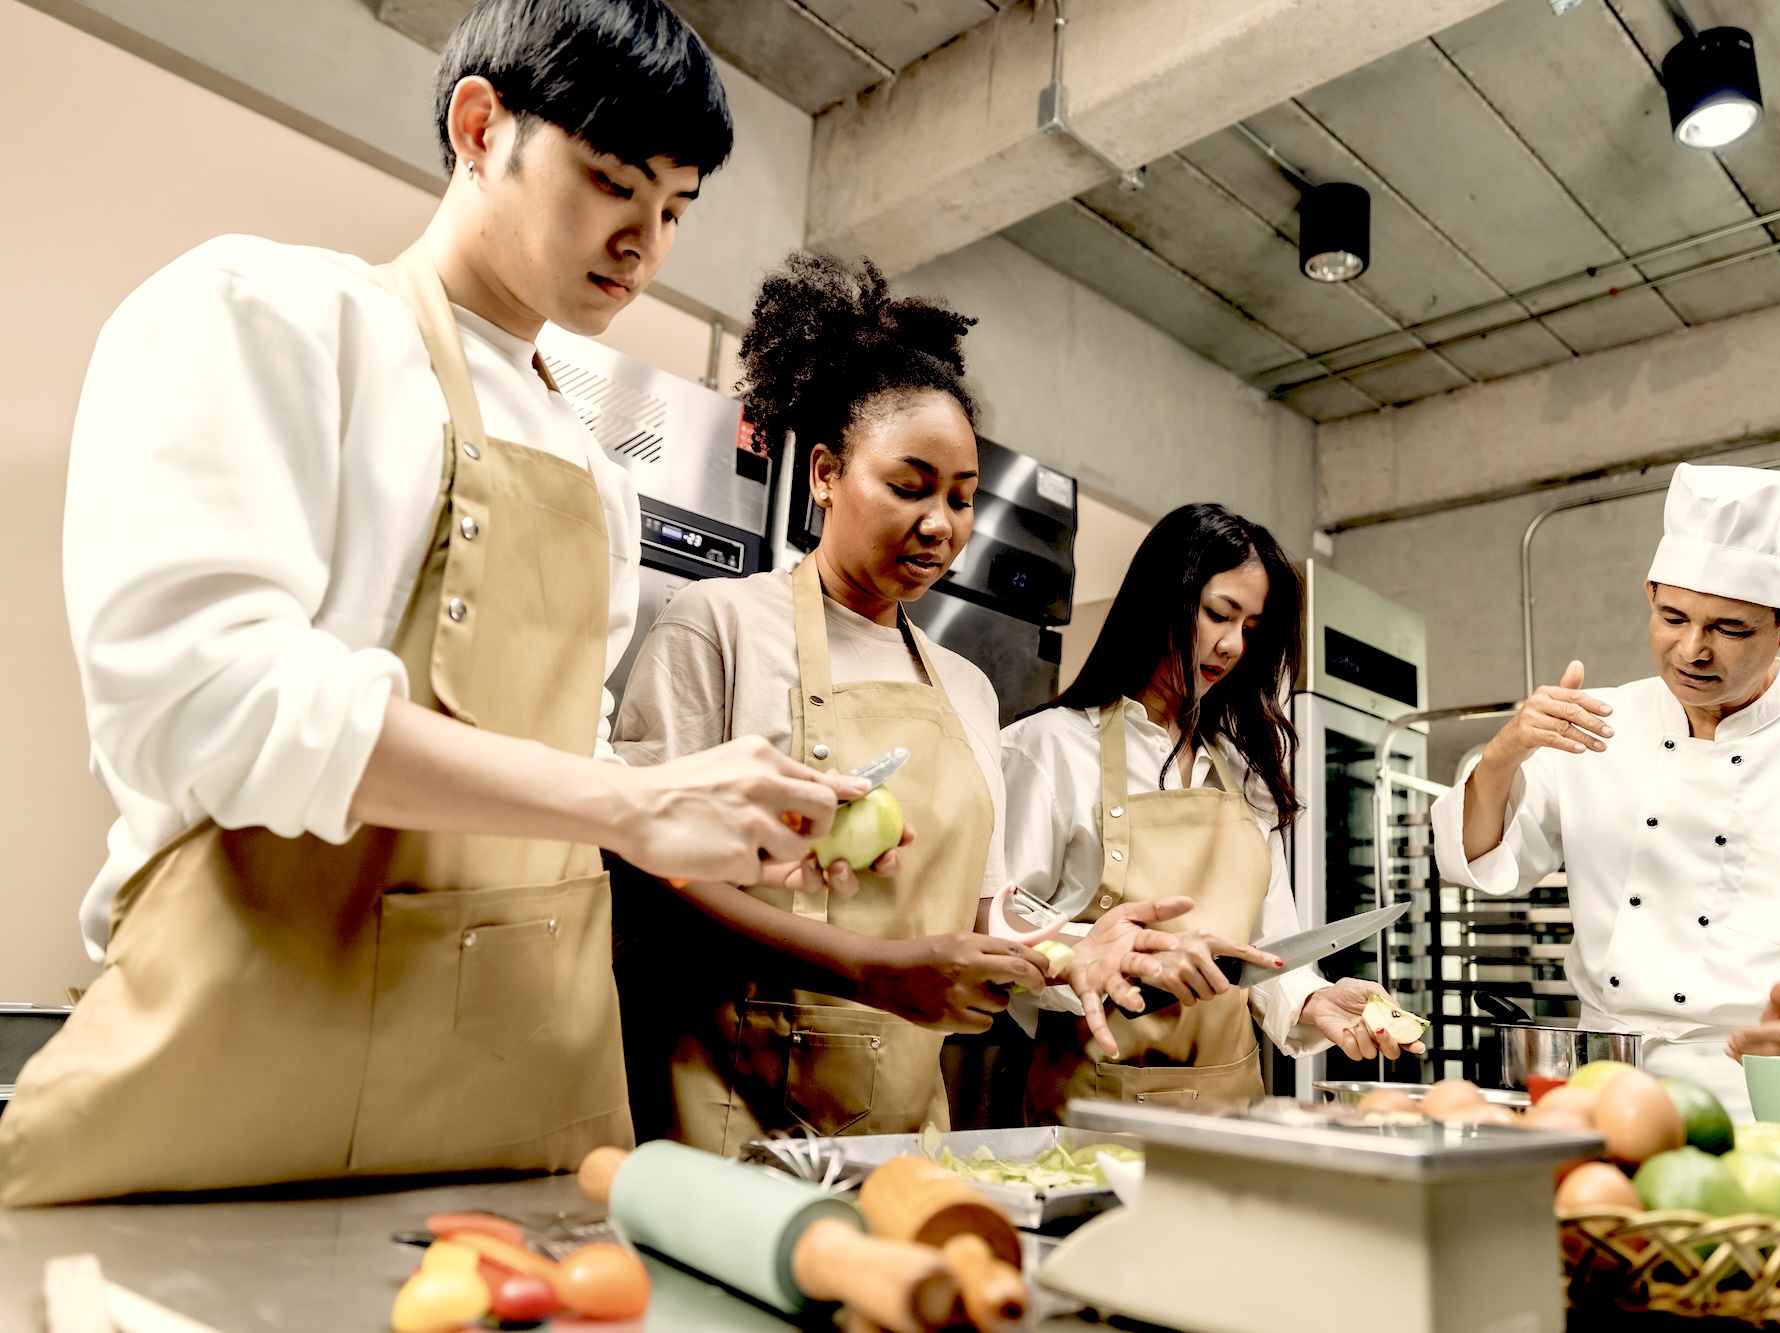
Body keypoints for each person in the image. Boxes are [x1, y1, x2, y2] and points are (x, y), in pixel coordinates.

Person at [0, 0, 860, 1207]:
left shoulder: (602, 486)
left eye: (673, 211)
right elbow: (205, 700)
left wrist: (723, 822)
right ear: (477, 126)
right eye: (612, 183)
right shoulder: (273, 315)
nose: (643, 244)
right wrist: (630, 799)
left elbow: (557, 769)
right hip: (235, 1075)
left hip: (504, 1112)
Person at [613, 250, 1101, 1155]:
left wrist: (1079, 948)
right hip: (729, 1103)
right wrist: (873, 971)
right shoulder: (717, 624)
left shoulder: (968, 687)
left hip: (907, 1121)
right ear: (827, 473)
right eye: (909, 487)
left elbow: (986, 901)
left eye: (961, 499)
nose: (941, 525)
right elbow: (653, 873)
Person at [1433, 463, 1780, 1122]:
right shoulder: (1592, 725)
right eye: (1672, 616)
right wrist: (1502, 756)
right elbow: (1483, 860)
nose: (1691, 649)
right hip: (1604, 1095)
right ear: (1649, 595)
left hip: (1768, 1102)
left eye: (1729, 628)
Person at [1001, 504, 1424, 1119]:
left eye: (1252, 628)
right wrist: (1100, 957)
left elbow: (1268, 947)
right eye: (1218, 614)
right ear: (1160, 599)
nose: (1231, 646)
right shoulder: (1049, 748)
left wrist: (1313, 1000)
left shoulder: (1246, 772)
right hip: (1096, 1113)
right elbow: (1006, 937)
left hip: (1234, 1116)